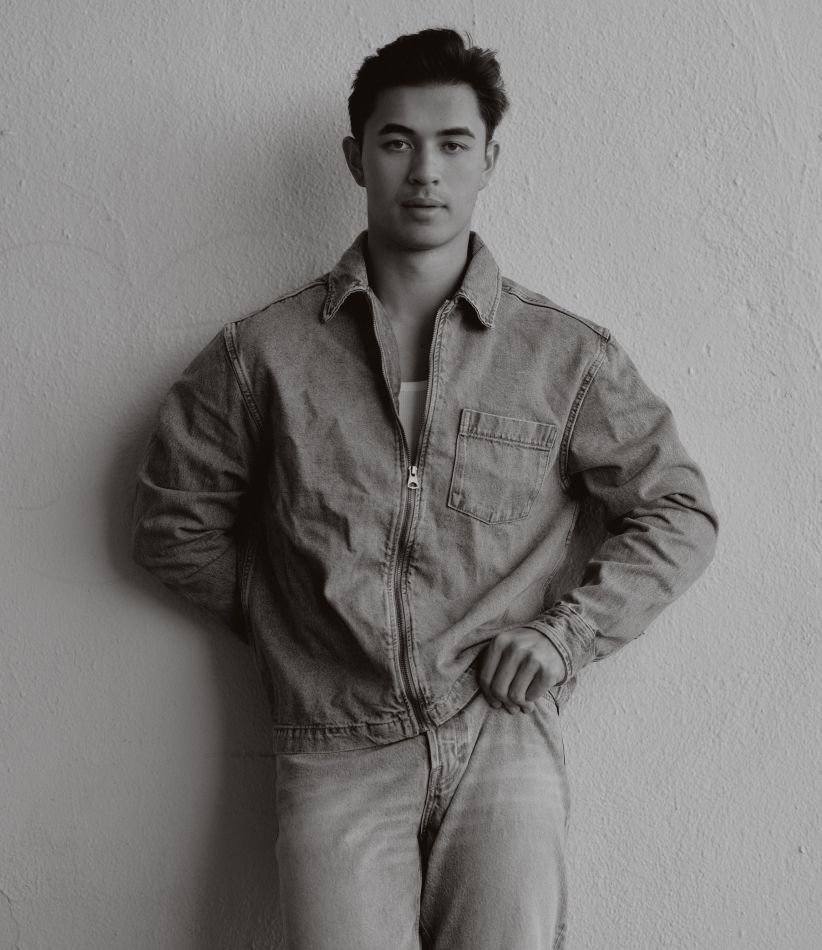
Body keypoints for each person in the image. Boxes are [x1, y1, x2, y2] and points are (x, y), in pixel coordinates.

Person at [130, 26, 718, 950]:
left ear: (489, 160)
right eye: (397, 142)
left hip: (500, 733)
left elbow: (677, 509)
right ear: (355, 156)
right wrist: (297, 624)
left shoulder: (563, 356)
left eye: (452, 144)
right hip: (334, 745)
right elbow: (174, 527)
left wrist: (564, 635)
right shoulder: (262, 356)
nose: (425, 172)